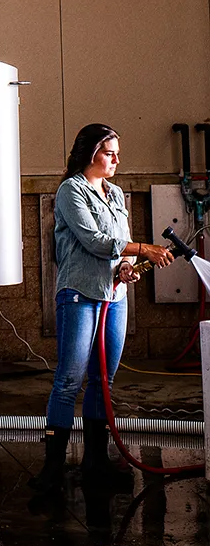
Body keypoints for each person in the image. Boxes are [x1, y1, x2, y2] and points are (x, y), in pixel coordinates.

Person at [31, 123, 173, 494]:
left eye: (116, 153)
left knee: (103, 381)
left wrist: (125, 268)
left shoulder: (115, 193)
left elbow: (115, 247)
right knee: (68, 381)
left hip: (114, 296)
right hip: (80, 294)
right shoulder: (70, 191)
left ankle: (96, 461)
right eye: (109, 152)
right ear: (89, 153)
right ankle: (52, 468)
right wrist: (144, 249)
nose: (116, 159)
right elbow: (95, 241)